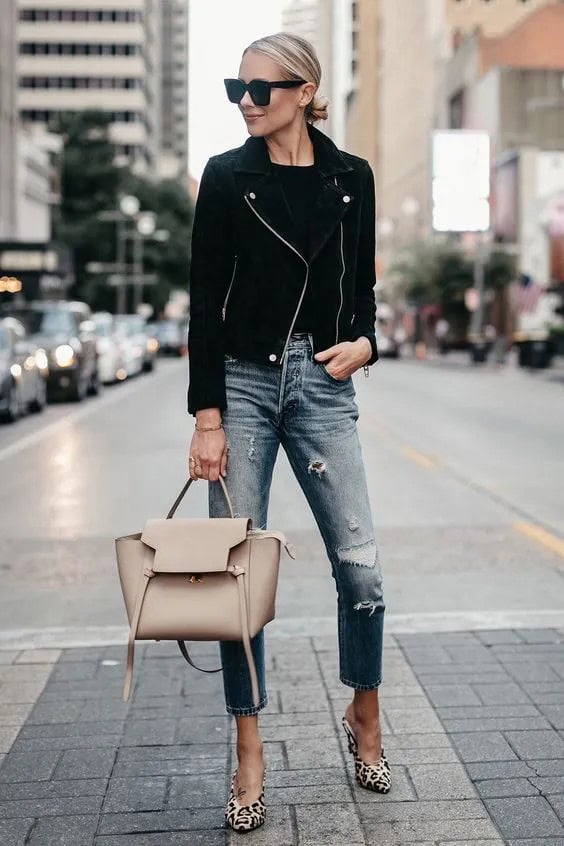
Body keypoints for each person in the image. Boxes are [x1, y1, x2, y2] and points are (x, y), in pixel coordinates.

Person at [187, 32, 391, 833]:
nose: (246, 99)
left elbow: (363, 283)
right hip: (241, 381)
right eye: (238, 85)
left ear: (305, 92)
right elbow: (205, 299)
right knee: (238, 579)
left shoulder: (353, 178)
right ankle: (249, 748)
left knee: (362, 566)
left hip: (324, 385)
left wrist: (368, 342)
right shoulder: (226, 176)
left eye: (263, 88)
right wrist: (208, 417)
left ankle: (365, 716)